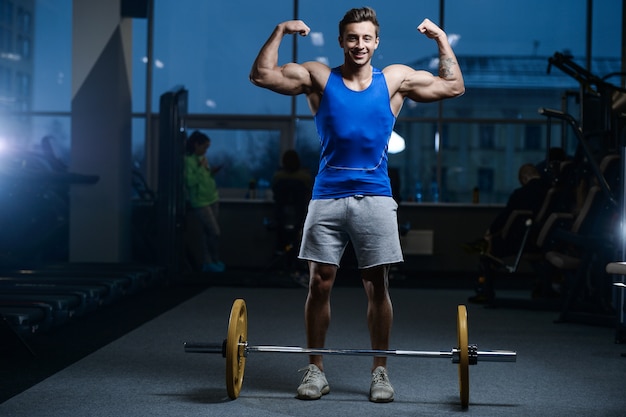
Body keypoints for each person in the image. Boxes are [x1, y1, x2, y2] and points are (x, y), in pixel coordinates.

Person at [250, 7, 464, 402]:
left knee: (376, 285)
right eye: (352, 37)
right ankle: (315, 370)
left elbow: (453, 88)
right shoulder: (319, 76)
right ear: (341, 41)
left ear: (376, 42)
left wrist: (439, 39)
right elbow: (262, 74)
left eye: (366, 38)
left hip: (376, 197)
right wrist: (279, 29)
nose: (359, 45)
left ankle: (379, 371)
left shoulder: (396, 79)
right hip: (327, 195)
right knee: (318, 283)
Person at [467, 163, 550, 303]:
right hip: (545, 240)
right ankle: (545, 288)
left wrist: (490, 232)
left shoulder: (521, 194)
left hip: (522, 240)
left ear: (524, 178)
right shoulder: (550, 191)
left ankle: (485, 291)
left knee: (486, 249)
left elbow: (505, 216)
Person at [184, 130, 225, 273]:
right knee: (215, 232)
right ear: (196, 145)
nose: (205, 150)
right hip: (200, 201)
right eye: (204, 147)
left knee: (207, 233)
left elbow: (205, 177)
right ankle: (211, 260)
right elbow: (190, 181)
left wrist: (211, 172)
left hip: (212, 198)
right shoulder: (188, 161)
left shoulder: (203, 159)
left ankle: (210, 262)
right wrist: (200, 168)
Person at [271, 149, 313, 278]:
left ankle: (281, 267)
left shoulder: (278, 177)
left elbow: (275, 195)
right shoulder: (305, 177)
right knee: (298, 240)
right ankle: (299, 267)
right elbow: (310, 195)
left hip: (281, 217)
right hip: (300, 217)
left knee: (282, 239)